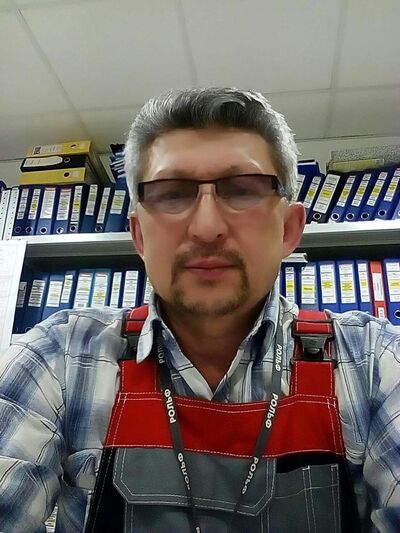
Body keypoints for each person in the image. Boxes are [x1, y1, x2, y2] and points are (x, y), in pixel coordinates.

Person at [0, 88, 399, 533]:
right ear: (139, 236)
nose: (207, 228)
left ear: (289, 229)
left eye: (242, 190)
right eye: (172, 194)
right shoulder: (59, 358)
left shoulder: (375, 364)